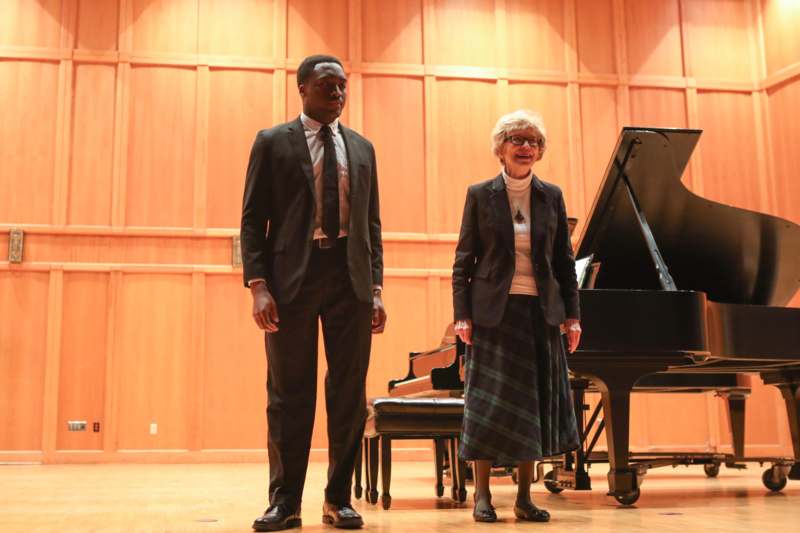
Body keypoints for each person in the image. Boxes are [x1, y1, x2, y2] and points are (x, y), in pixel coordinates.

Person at [240, 54, 387, 532]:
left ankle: (338, 499)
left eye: (343, 85)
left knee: (348, 394)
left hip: (350, 279)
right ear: (302, 88)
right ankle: (285, 503)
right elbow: (252, 221)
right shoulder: (272, 142)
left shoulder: (362, 148)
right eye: (327, 85)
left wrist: (376, 288)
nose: (338, 93)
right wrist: (258, 285)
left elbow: (371, 225)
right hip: (291, 282)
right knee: (289, 393)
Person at [452, 109, 582, 523]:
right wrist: (461, 315)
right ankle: (482, 495)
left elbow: (564, 262)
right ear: (501, 148)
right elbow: (463, 260)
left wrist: (573, 317)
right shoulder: (480, 194)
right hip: (494, 314)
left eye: (533, 141)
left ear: (540, 151)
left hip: (539, 314)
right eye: (517, 140)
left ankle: (525, 497)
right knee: (487, 406)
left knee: (532, 407)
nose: (526, 147)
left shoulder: (551, 196)